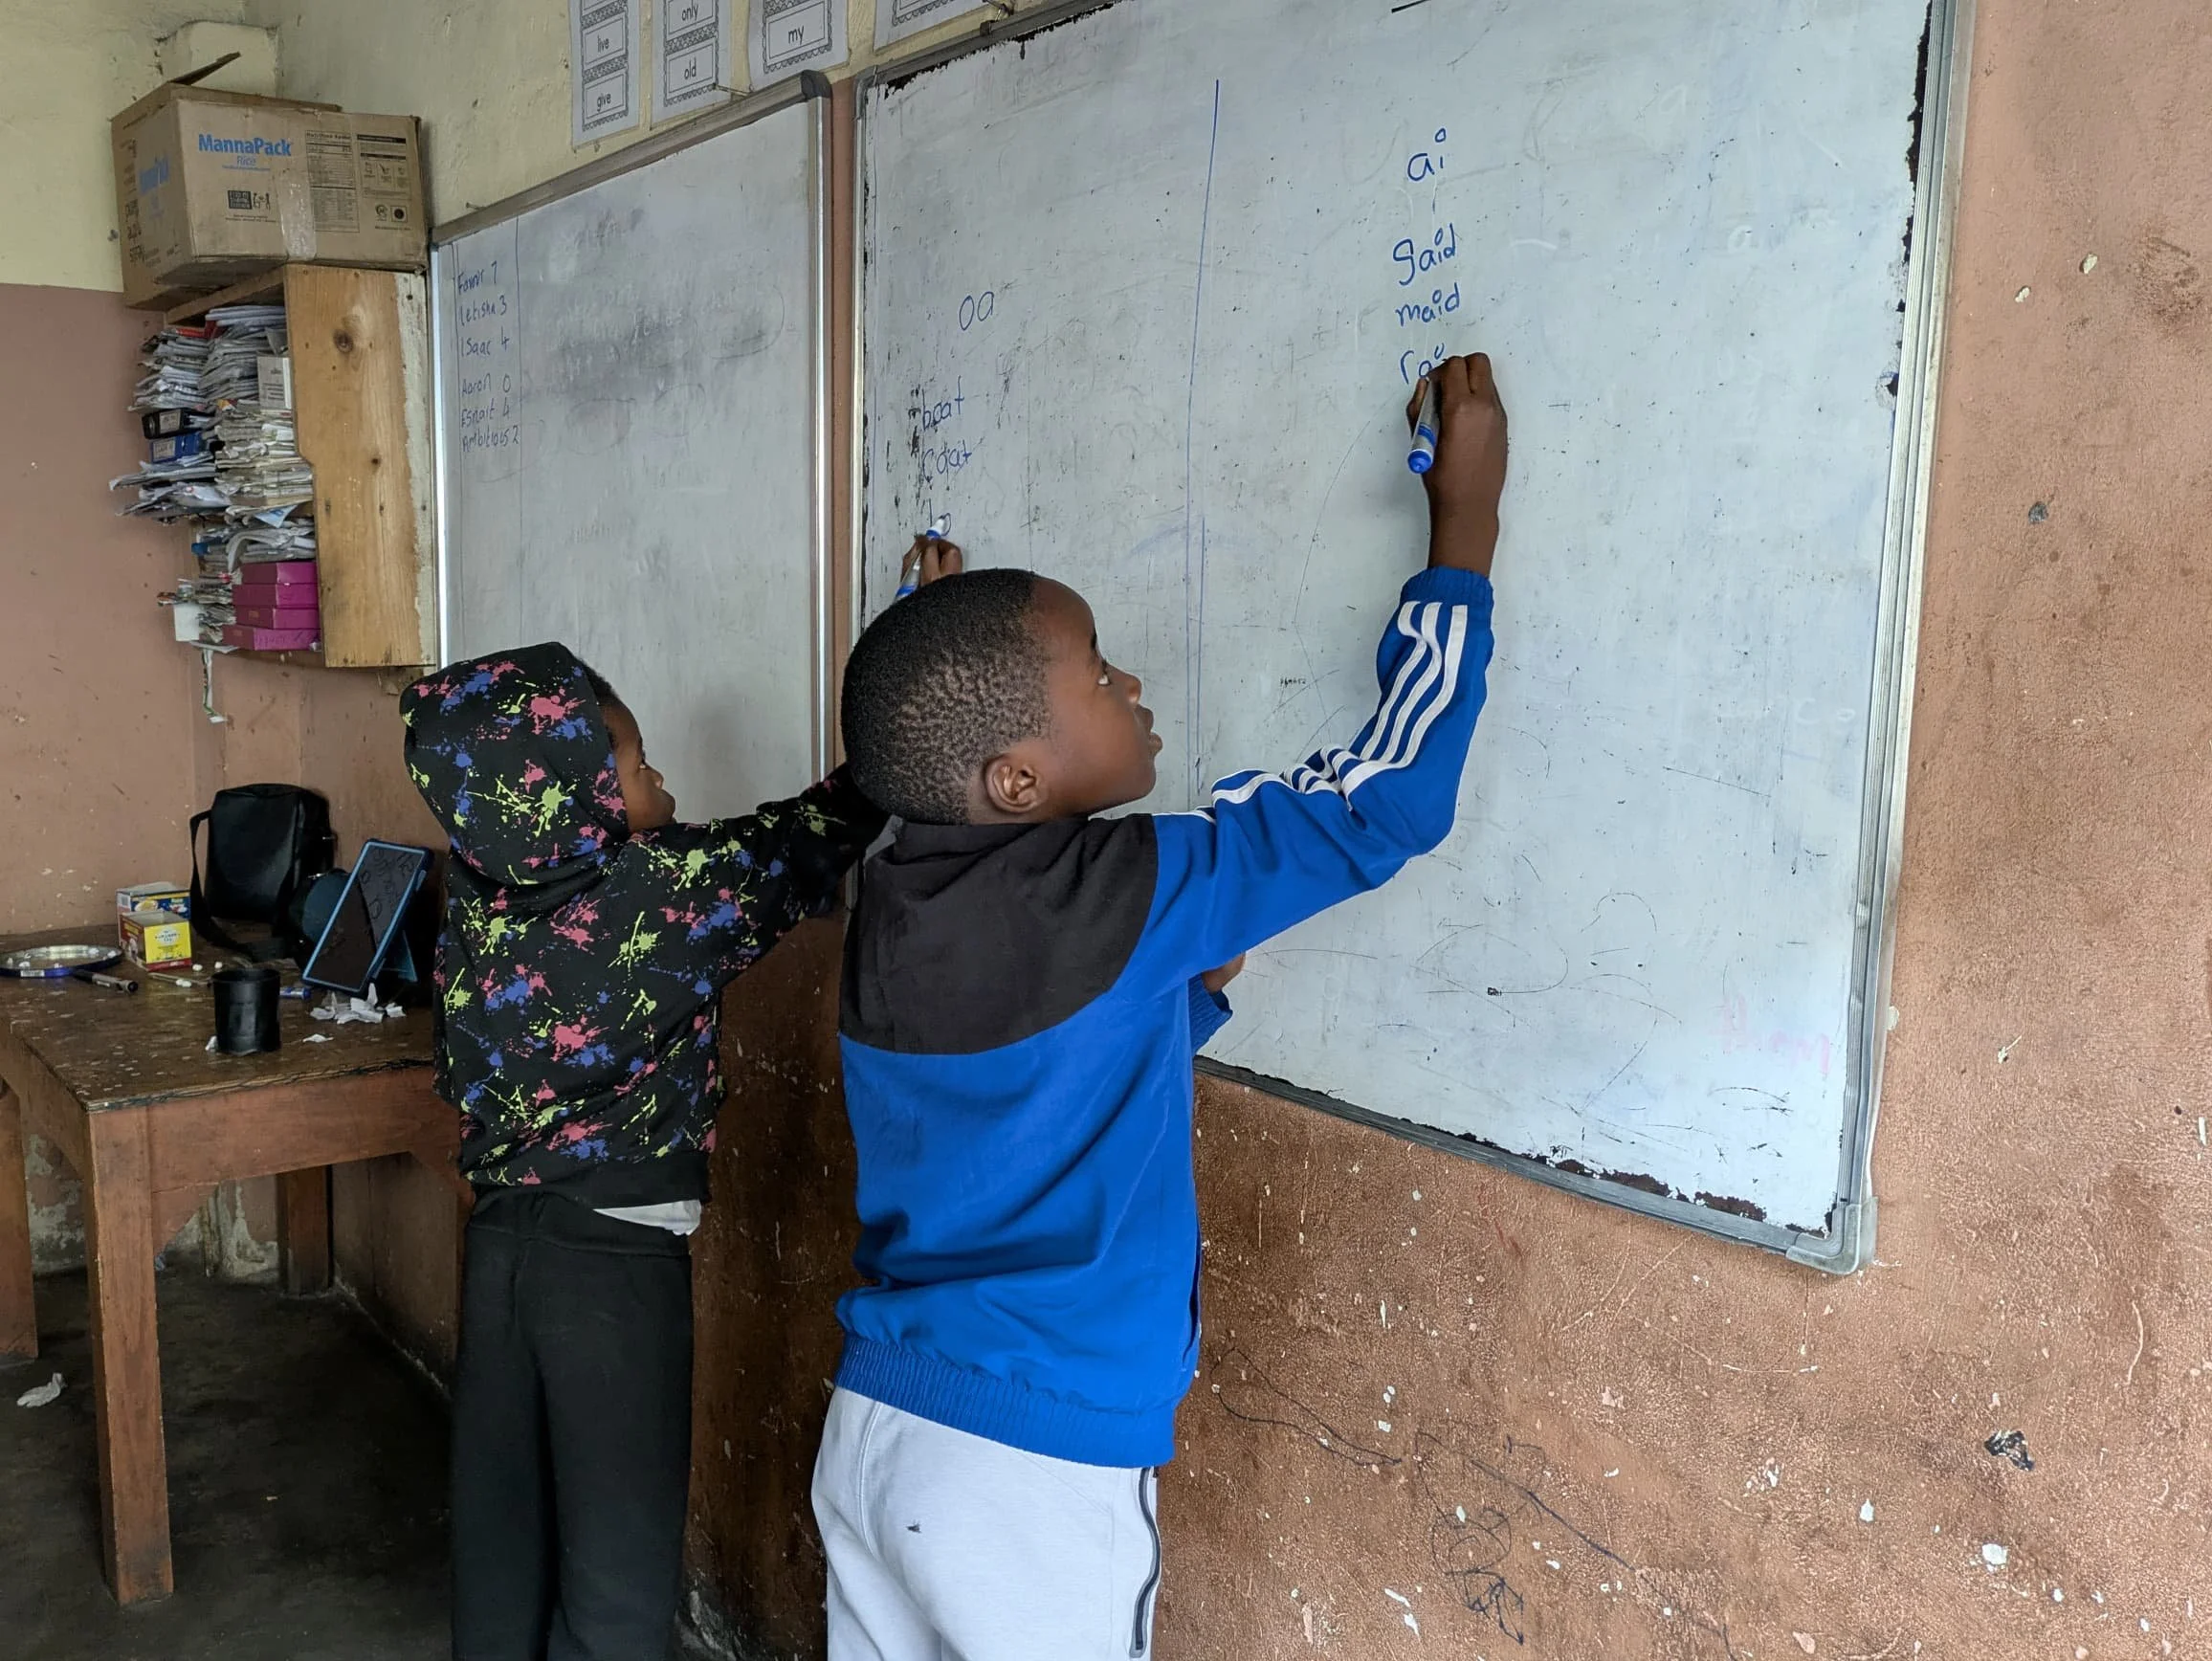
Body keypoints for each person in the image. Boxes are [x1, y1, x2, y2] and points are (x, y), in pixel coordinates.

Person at [814, 353, 1511, 1658]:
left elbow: (1030, 1079)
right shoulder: (1123, 892)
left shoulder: (895, 900)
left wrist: (1175, 988)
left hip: (882, 1427)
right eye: (1095, 672)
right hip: (1030, 1468)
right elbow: (1383, 802)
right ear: (1014, 781)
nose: (1129, 684)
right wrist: (1461, 529)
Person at [398, 561, 942, 1661]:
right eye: (639, 764)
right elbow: (812, 832)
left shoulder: (480, 892)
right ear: (575, 794)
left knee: (504, 1536)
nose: (663, 779)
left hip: (501, 1248)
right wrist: (915, 657)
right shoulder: (651, 895)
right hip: (609, 1270)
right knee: (618, 1562)